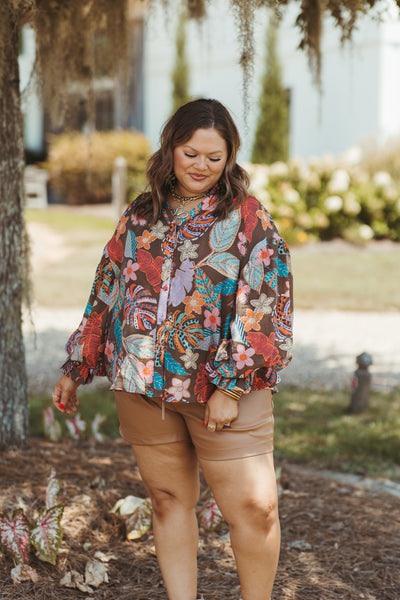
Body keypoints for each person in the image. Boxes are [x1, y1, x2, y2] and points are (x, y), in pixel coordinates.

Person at [52, 98, 293, 600]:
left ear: (230, 158)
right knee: (167, 500)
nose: (201, 166)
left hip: (222, 390)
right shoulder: (140, 215)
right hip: (142, 385)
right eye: (191, 153)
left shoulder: (249, 220)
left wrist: (231, 385)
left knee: (255, 507)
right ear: (170, 149)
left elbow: (266, 303)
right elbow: (108, 289)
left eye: (214, 156)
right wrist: (77, 364)